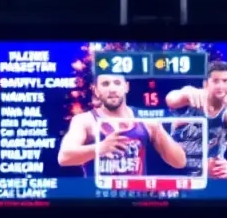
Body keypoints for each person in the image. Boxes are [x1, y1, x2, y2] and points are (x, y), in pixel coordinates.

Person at [58, 73, 186, 177]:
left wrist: (159, 130)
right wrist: (101, 148)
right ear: (96, 90)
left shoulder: (145, 121)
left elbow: (179, 162)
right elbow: (64, 157)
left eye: (117, 83)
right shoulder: (85, 121)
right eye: (105, 84)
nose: (112, 89)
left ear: (126, 87)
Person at [165, 60, 227, 180]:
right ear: (206, 84)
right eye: (215, 81)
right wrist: (187, 93)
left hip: (210, 176)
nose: (220, 86)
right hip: (177, 171)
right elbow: (170, 99)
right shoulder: (193, 97)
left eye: (225, 81)